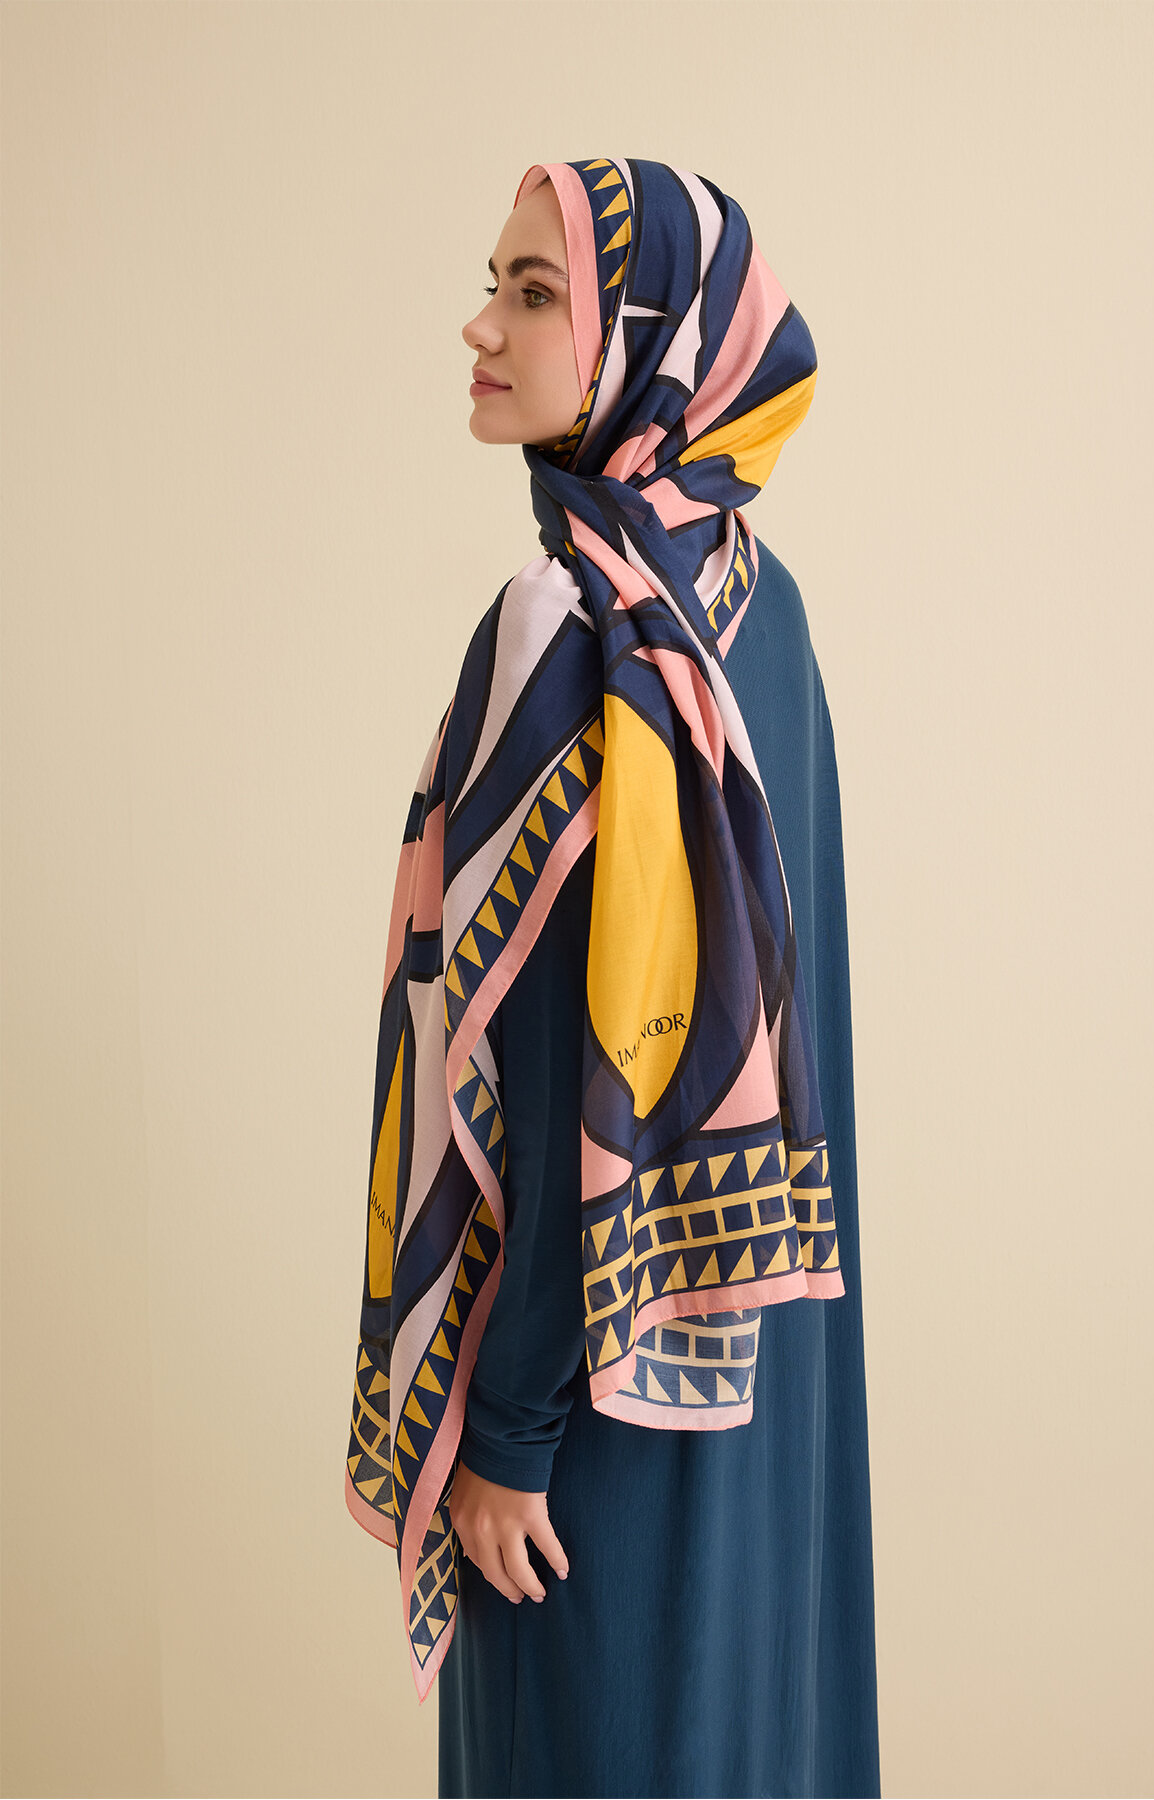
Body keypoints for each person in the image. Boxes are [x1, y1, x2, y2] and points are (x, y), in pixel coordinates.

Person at [346, 157, 880, 1800]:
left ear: (648, 340)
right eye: (495, 285)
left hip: (582, 1408)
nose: (481, 326)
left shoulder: (569, 624)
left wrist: (504, 1436)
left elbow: (575, 1077)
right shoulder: (754, 606)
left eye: (535, 293)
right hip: (757, 1361)